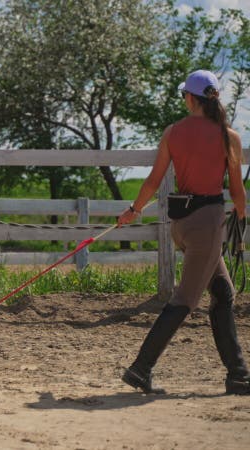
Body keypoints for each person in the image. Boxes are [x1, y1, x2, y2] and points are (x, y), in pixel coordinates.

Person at [117, 69, 250, 395]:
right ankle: (140, 368)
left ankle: (238, 374)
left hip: (181, 225)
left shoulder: (173, 132)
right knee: (185, 300)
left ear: (190, 98)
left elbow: (152, 180)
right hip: (208, 227)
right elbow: (236, 191)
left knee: (223, 293)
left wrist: (133, 210)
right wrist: (241, 215)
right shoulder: (228, 137)